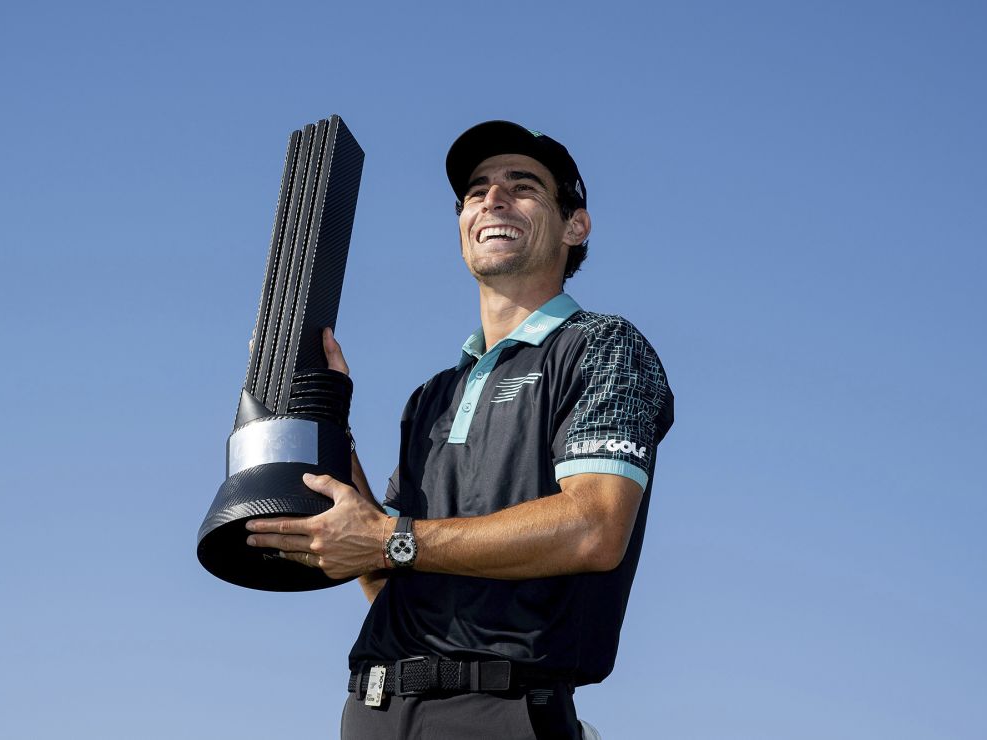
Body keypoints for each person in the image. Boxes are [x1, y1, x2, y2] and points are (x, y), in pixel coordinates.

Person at [246, 121, 674, 739]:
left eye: (521, 186)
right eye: (476, 192)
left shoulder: (603, 347)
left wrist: (392, 539)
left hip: (499, 711)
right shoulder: (433, 396)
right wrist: (329, 418)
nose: (492, 200)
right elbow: (381, 569)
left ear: (574, 225)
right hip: (372, 711)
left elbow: (594, 528)